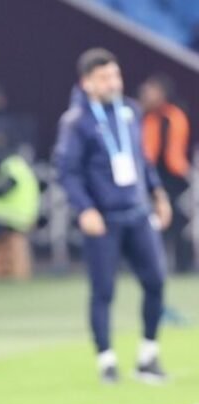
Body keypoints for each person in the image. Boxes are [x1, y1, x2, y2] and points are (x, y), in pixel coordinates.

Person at [53, 48, 173, 385]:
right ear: (87, 82)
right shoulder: (76, 121)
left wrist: (158, 193)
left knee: (156, 281)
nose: (112, 83)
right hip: (103, 219)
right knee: (103, 290)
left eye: (115, 75)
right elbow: (67, 171)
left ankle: (148, 355)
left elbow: (141, 159)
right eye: (104, 77)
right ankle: (106, 360)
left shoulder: (130, 111)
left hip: (137, 212)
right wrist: (85, 208)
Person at [139, 74, 193, 273]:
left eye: (151, 90)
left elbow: (174, 156)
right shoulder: (145, 118)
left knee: (178, 222)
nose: (146, 95)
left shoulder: (173, 116)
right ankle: (154, 264)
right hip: (153, 177)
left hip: (175, 179)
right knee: (154, 224)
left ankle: (183, 265)